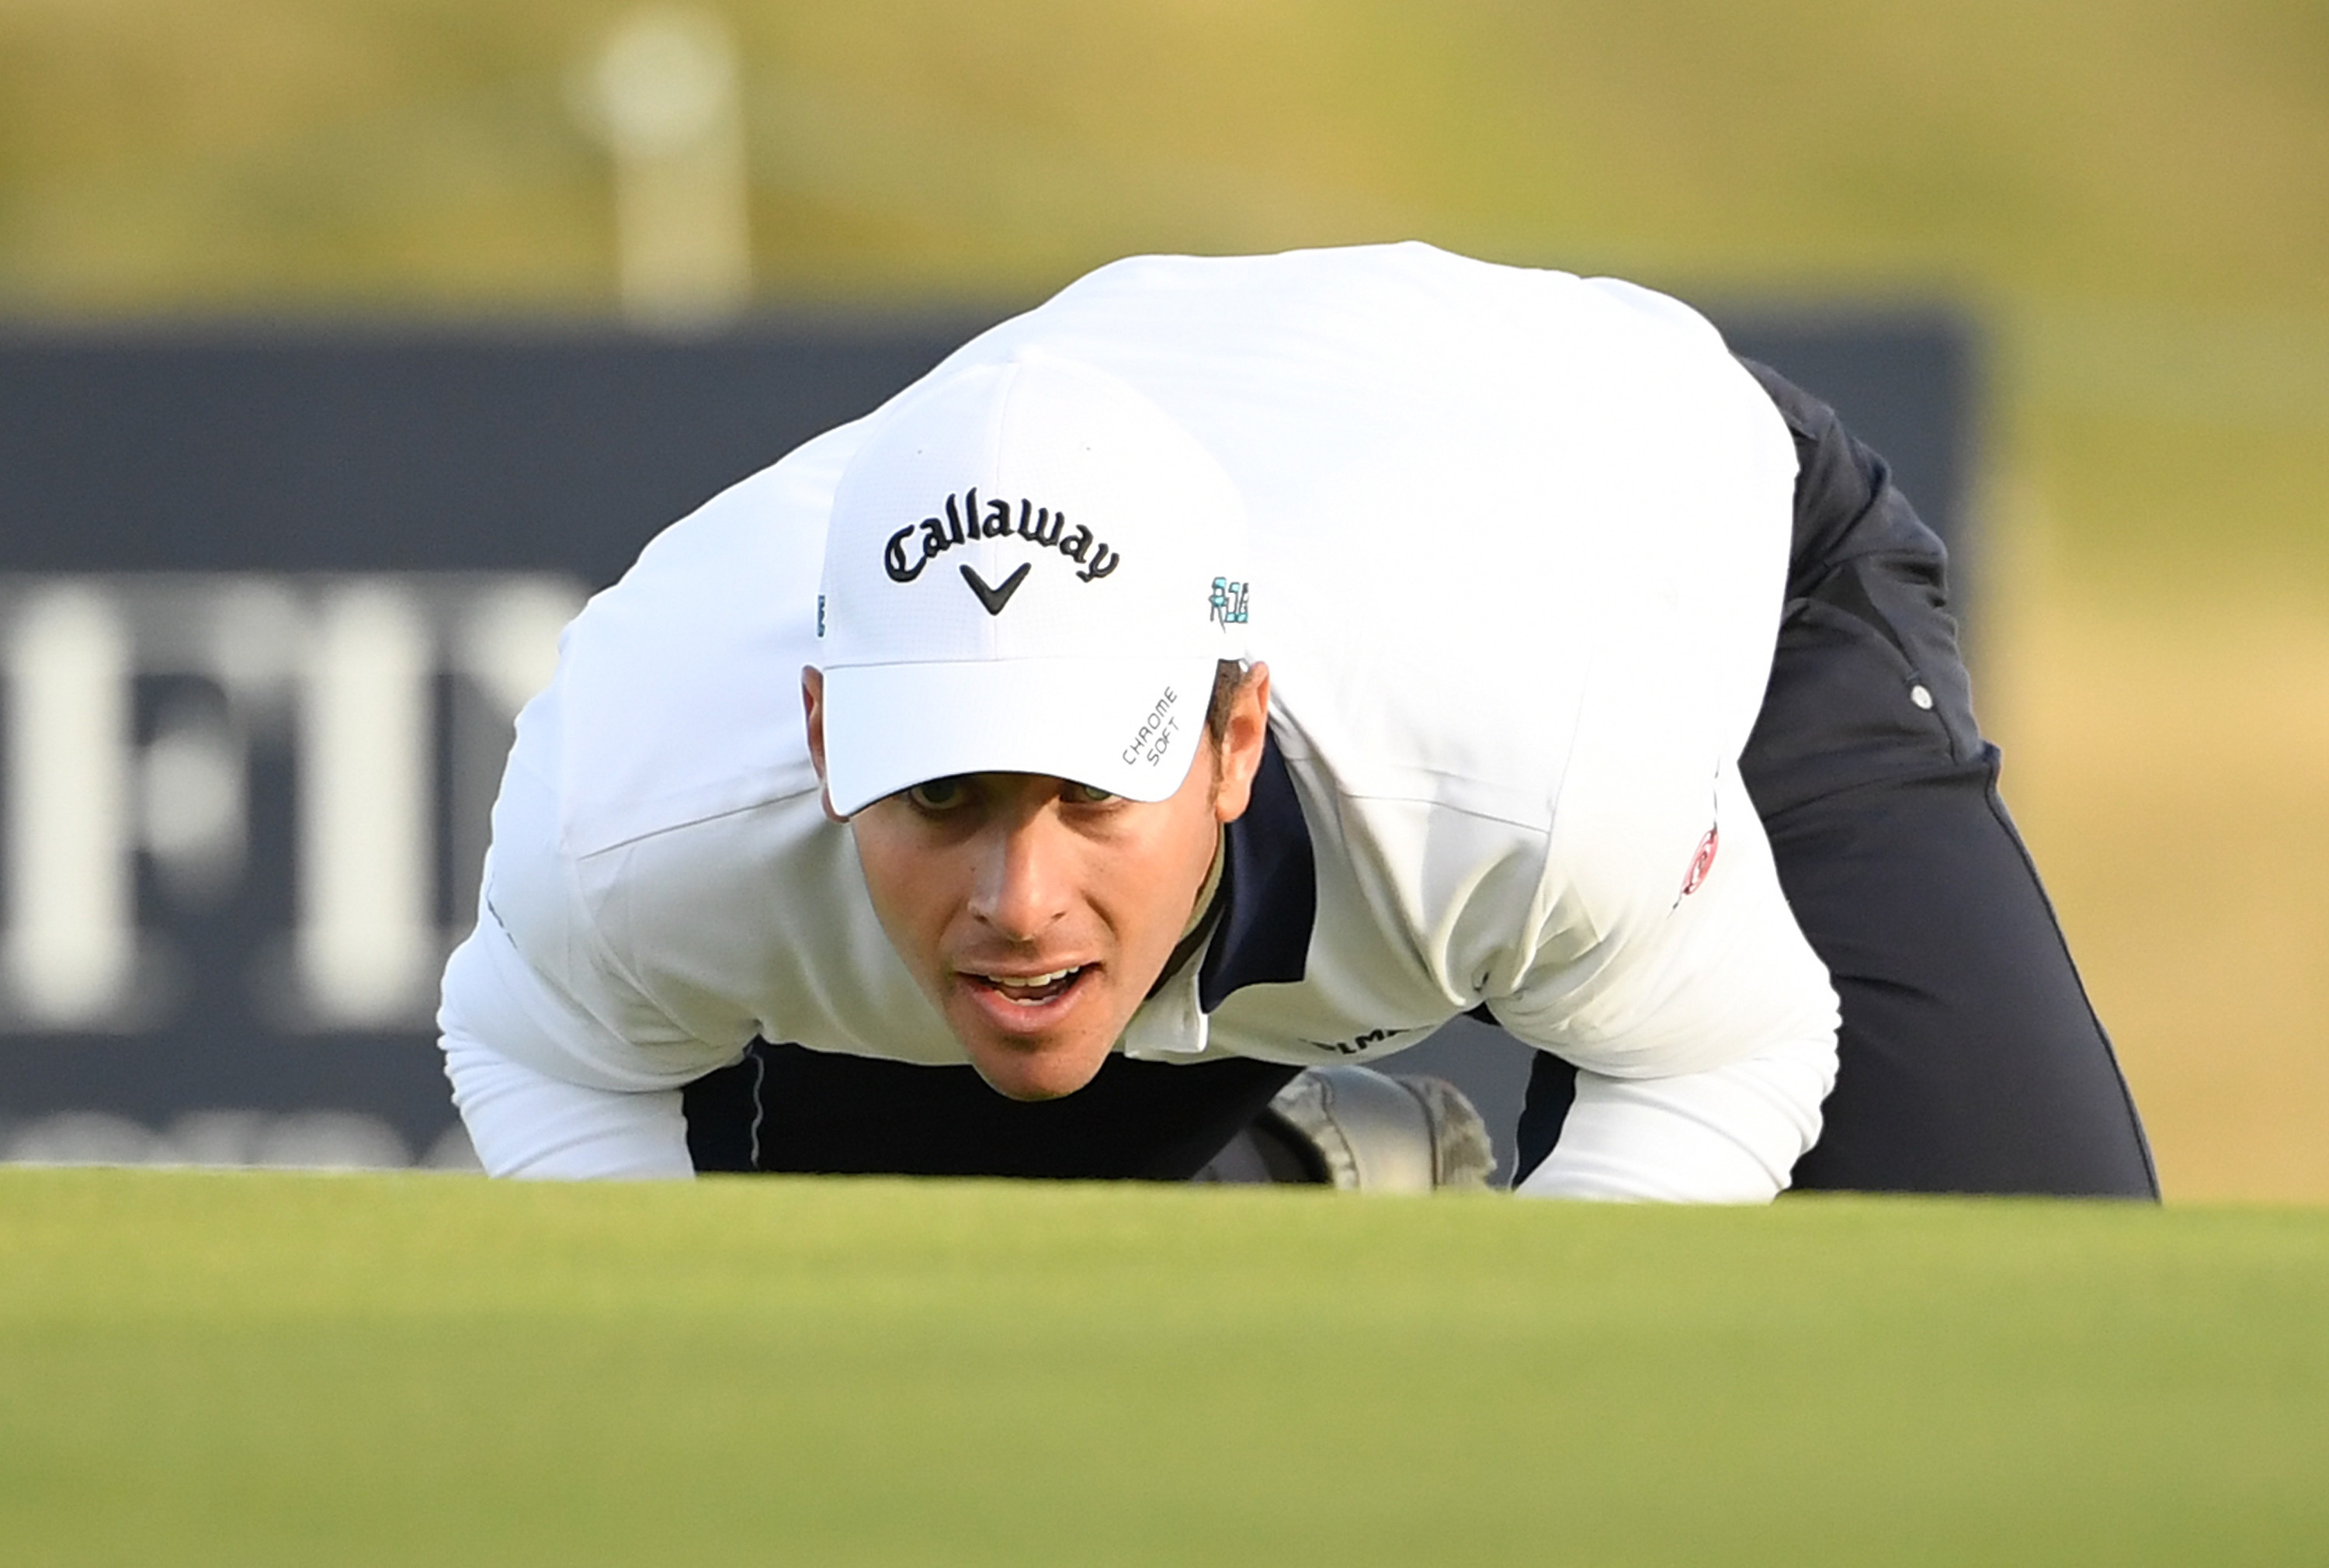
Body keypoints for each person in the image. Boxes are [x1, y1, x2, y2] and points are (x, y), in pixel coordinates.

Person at [438, 241, 2156, 1200]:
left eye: (1091, 788)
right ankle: (1273, 1190)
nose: (1016, 891)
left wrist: (1489, 1385)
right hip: (1265, 454)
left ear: (1229, 731)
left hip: (1699, 552)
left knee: (2047, 1308)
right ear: (826, 735)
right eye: (944, 793)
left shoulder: (1521, 762)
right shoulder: (637, 800)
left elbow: (1725, 1050)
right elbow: (534, 1044)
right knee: (857, 1350)